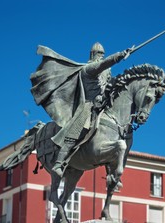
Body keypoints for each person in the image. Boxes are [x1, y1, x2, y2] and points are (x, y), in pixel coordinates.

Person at [50, 42, 131, 177]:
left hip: (102, 104)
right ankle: (59, 162)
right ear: (93, 55)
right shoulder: (88, 69)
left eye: (103, 55)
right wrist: (120, 55)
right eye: (99, 54)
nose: (101, 57)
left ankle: (112, 169)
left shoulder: (105, 72)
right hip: (87, 105)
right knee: (77, 128)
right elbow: (103, 64)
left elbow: (108, 83)